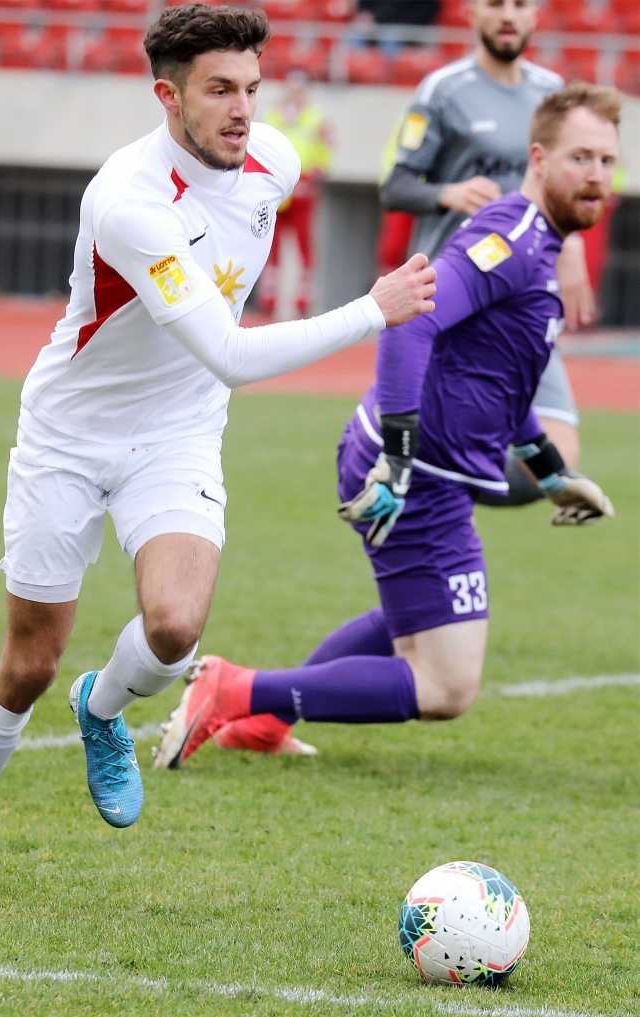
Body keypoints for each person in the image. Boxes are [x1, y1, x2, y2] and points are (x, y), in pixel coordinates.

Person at [0, 3, 437, 897]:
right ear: (168, 96)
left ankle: (102, 707)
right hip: (69, 436)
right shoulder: (131, 203)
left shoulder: (274, 160)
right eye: (220, 91)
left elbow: (216, 354)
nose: (243, 111)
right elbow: (229, 354)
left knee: (174, 630)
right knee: (29, 663)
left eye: (252, 88)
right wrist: (370, 311)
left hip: (178, 432)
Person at [152, 84, 618, 769]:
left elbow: (500, 377)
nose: (597, 175)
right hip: (416, 472)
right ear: (539, 159)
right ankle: (234, 690)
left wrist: (550, 472)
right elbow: (410, 319)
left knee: (417, 616)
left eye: (608, 161)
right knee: (447, 686)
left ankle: (260, 724)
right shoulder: (512, 239)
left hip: (429, 469)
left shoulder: (541, 245)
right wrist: (397, 458)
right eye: (581, 157)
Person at [379, 0, 591, 504]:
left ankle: (439, 491)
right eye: (495, 4)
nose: (508, 15)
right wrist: (447, 193)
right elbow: (395, 187)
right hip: (456, 296)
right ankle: (429, 498)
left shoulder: (552, 94)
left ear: (536, 13)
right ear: (472, 13)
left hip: (523, 299)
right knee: (448, 441)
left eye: (519, 4)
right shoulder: (442, 90)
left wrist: (573, 240)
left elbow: (563, 188)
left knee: (558, 457)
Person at [257, 71, 332, 317]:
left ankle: (304, 298)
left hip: (304, 188)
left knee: (304, 244)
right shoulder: (273, 115)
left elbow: (325, 148)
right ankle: (268, 298)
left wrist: (316, 173)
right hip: (277, 189)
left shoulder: (316, 117)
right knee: (270, 242)